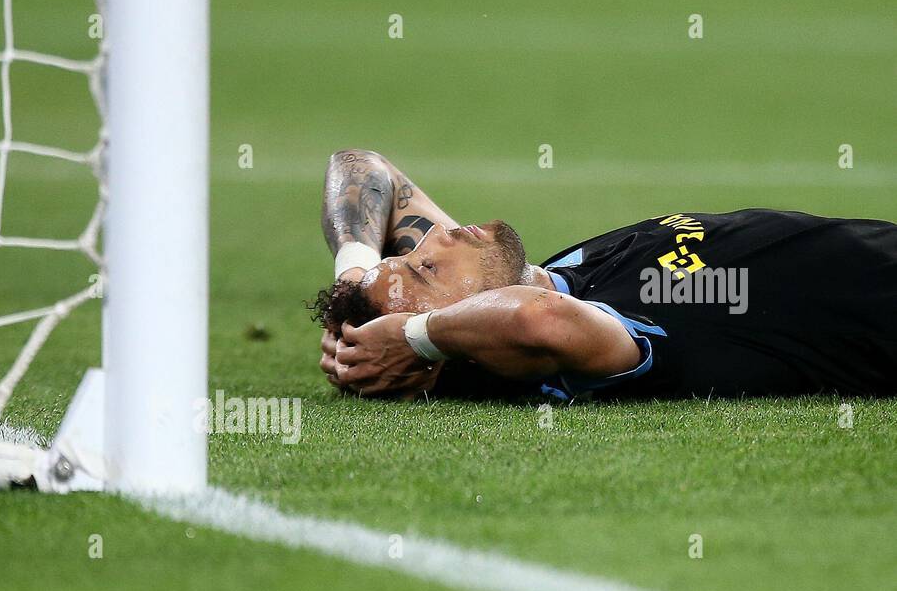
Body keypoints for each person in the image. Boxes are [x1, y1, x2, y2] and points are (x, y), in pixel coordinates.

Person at [313, 149, 897, 400]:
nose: (437, 233)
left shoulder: (559, 277)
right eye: (426, 267)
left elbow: (363, 167)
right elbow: (535, 321)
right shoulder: (576, 344)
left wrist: (354, 271)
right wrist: (417, 339)